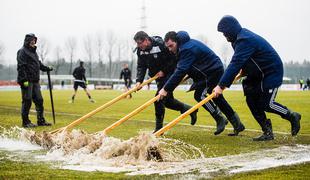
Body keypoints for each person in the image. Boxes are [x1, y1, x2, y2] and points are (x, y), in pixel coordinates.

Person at [213, 15, 301, 141]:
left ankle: (292, 116)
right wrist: (244, 71)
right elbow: (247, 60)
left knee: (266, 103)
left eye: (225, 32)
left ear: (231, 29)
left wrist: (221, 85)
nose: (224, 36)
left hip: (271, 71)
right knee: (251, 100)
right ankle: (267, 132)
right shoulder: (237, 40)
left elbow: (236, 62)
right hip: (257, 74)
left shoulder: (245, 39)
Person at [159, 31, 244, 136]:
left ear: (177, 41)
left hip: (212, 71)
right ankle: (238, 124)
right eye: (168, 47)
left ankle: (219, 118)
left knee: (200, 95)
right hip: (209, 71)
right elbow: (190, 65)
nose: (170, 49)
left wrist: (165, 89)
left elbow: (181, 70)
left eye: (171, 46)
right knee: (217, 98)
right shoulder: (184, 46)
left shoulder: (186, 49)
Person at [133, 31, 197, 132]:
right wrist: (139, 81)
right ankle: (189, 109)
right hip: (157, 77)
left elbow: (174, 59)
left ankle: (159, 129)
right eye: (137, 43)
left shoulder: (160, 45)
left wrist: (164, 71)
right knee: (167, 101)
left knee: (158, 99)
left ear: (146, 40)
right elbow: (141, 66)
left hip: (170, 74)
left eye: (140, 43)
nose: (139, 45)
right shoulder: (140, 51)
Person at [17, 33, 53, 128]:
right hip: (27, 81)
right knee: (27, 101)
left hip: (35, 80)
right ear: (27, 41)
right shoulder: (22, 51)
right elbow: (21, 66)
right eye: (31, 41)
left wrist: (46, 68)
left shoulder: (34, 52)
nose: (33, 42)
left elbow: (38, 64)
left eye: (34, 41)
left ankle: (41, 120)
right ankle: (25, 122)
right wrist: (24, 80)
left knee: (39, 100)